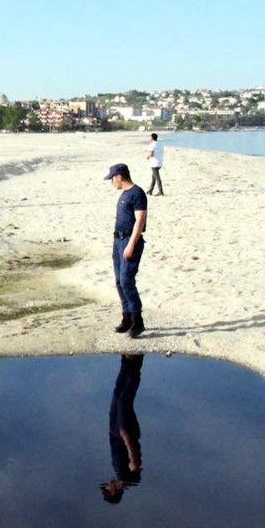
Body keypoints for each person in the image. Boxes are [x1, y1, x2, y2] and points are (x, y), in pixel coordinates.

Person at [105, 162, 148, 338]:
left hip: (130, 241)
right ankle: (127, 317)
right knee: (119, 281)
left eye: (112, 179)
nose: (111, 182)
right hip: (118, 240)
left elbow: (140, 220)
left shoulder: (137, 193)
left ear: (119, 177)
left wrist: (131, 244)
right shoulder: (124, 194)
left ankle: (138, 321)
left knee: (126, 280)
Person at [102, 354, 144, 505]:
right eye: (107, 489)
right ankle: (136, 360)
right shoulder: (128, 479)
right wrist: (125, 436)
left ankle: (126, 360)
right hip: (124, 432)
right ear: (114, 492)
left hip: (116, 431)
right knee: (123, 400)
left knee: (117, 396)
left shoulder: (119, 474)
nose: (107, 485)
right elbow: (136, 464)